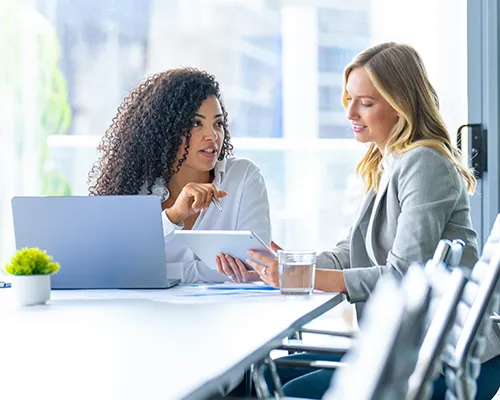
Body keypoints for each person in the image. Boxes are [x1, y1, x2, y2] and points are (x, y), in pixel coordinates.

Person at [222, 43, 500, 399]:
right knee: (266, 373)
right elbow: (350, 253)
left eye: (366, 103)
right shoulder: (389, 162)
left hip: (441, 357)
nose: (351, 112)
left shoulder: (424, 164)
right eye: (349, 99)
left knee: (276, 383)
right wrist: (284, 265)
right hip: (417, 348)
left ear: (402, 104)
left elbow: (403, 275)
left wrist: (300, 277)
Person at [88, 68, 271, 283]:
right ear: (166, 129)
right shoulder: (135, 186)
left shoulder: (243, 178)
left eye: (218, 124)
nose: (212, 135)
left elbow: (258, 266)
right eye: (196, 123)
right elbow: (116, 267)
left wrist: (161, 272)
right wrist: (173, 216)